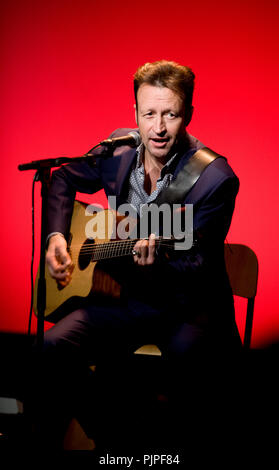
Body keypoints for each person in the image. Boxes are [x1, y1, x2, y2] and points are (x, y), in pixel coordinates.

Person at [27, 60, 242, 451]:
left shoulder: (215, 178)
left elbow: (201, 262)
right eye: (149, 114)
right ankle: (113, 437)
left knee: (193, 383)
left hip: (188, 308)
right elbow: (61, 179)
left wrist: (159, 260)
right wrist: (57, 235)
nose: (158, 128)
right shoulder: (119, 152)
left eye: (171, 114)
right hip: (129, 303)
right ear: (136, 114)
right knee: (51, 347)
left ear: (188, 114)